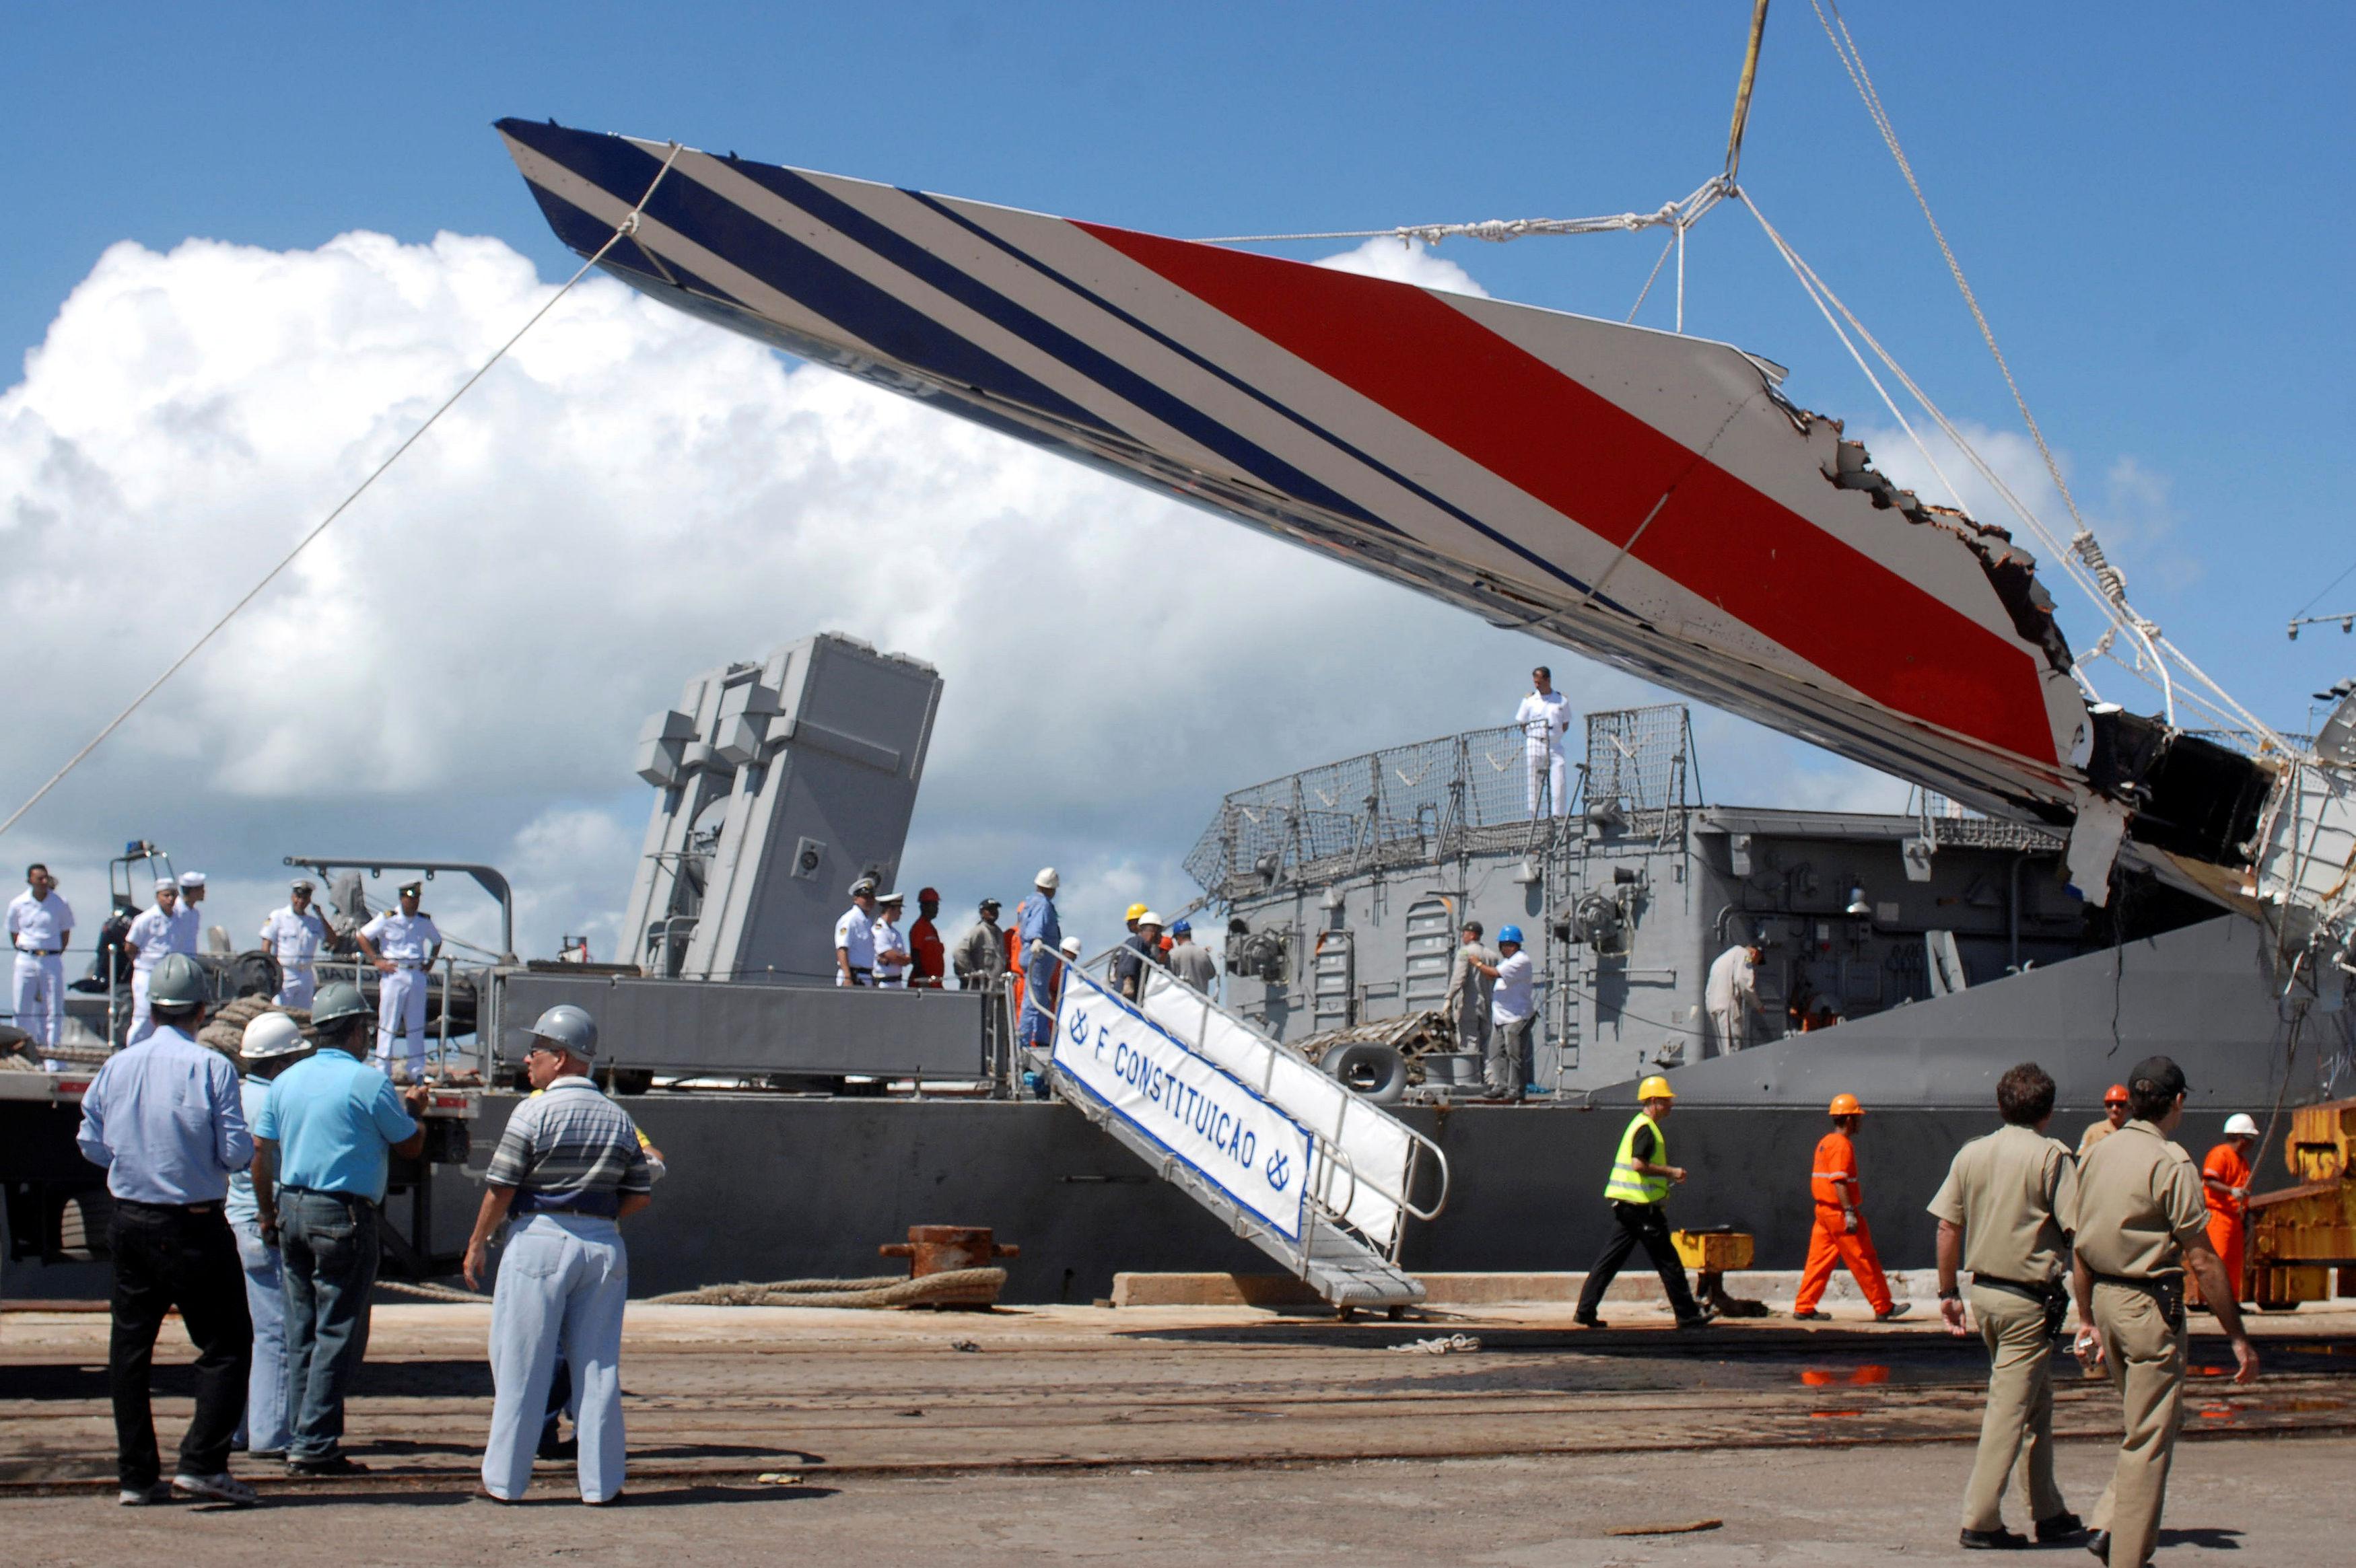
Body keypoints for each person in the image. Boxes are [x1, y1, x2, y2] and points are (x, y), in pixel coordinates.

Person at [73, 952, 257, 1507]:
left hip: (129, 1219)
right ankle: (202, 1462)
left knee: (130, 1350)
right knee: (227, 1344)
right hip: (194, 1223)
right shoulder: (212, 1067)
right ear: (202, 1010)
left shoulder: (118, 1064)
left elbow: (89, 1141)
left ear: (151, 1008)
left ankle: (136, 1476)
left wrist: (134, 1160)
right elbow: (235, 1152)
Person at [2071, 1055, 2259, 1567]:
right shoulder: (2171, 1161)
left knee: (2143, 1426)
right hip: (2149, 1307)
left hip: (2105, 1304)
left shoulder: (2094, 1155)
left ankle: (2111, 1524)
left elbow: (2081, 1247)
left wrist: (2085, 1318)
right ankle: (2129, 1555)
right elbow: (2202, 1257)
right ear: (2177, 1103)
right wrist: (2237, 1336)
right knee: (2151, 1437)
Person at [462, 1004, 653, 1505]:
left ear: (562, 1058)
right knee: (598, 1369)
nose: (529, 1060)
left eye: (538, 1051)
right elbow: (640, 1193)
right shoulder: (619, 1117)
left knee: (521, 1362)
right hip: (603, 1246)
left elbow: (501, 1185)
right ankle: (602, 1484)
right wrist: (598, 1221)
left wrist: (478, 1241)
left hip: (540, 1239)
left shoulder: (534, 1110)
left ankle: (504, 1482)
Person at [252, 980, 428, 1475]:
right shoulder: (368, 1082)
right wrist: (417, 1112)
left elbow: (260, 1154)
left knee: (301, 1328)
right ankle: (314, 1445)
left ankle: (299, 1434)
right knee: (338, 1331)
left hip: (291, 1208)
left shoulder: (284, 1081)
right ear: (356, 1030)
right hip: (342, 1215)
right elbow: (408, 1145)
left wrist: (268, 1215)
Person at [1927, 1060, 2085, 1551]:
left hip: (1986, 1296)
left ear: (2000, 1106)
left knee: (2035, 1405)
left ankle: (2048, 1509)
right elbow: (2078, 1233)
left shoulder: (1972, 1154)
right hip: (2028, 1301)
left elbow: (1948, 1227)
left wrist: (1948, 1293)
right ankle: (1980, 1518)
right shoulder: (2054, 1157)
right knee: (2008, 1410)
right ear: (2049, 1111)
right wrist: (2092, 1311)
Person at [226, 1012, 310, 1463]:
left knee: (242, 1334)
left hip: (231, 1220)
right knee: (277, 1331)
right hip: (263, 1224)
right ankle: (271, 1433)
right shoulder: (280, 1100)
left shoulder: (235, 1096)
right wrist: (268, 1212)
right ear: (280, 1063)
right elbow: (267, 1156)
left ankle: (237, 1428)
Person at [1574, 1075, 1710, 1330]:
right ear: (1654, 1101)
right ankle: (1687, 1314)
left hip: (1629, 1207)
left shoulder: (1639, 1125)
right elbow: (1639, 1165)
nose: (1671, 1105)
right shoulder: (1646, 1129)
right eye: (1667, 1101)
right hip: (1641, 1207)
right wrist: (1672, 1172)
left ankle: (1585, 1311)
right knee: (1668, 1262)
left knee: (1609, 1261)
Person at [1793, 1094, 1902, 1322]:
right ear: (1850, 1120)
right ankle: (1883, 1306)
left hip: (1823, 1212)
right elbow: (1839, 1180)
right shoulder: (1842, 1146)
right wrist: (1849, 1211)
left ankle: (1804, 1306)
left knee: (1818, 1261)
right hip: (1840, 1213)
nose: (1860, 1123)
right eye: (1858, 1118)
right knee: (1863, 1257)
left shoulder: (1825, 1143)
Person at [355, 880, 442, 1080]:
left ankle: (417, 1070)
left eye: (417, 898)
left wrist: (430, 963)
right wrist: (376, 960)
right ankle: (382, 1068)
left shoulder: (424, 921)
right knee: (389, 1022)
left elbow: (437, 941)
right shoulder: (388, 918)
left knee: (416, 1023)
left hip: (416, 974)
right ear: (402, 898)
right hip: (394, 974)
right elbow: (363, 936)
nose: (414, 902)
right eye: (410, 897)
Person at [9, 862, 74, 1069]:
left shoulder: (59, 903)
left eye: (46, 878)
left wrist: (53, 952)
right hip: (26, 957)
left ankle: (53, 1058)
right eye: (40, 879)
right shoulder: (19, 904)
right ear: (30, 880)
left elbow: (65, 931)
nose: (45, 882)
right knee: (22, 1009)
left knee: (53, 1009)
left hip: (51, 958)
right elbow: (14, 932)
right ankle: (21, 1055)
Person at [122, 878, 195, 1046]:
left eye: (173, 895)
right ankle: (133, 1048)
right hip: (147, 972)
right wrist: (141, 963)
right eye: (166, 895)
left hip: (168, 974)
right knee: (144, 1014)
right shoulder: (146, 918)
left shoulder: (179, 919)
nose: (170, 899)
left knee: (167, 1015)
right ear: (158, 897)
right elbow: (130, 946)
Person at [2200, 1114, 2261, 1308]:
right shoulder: (2221, 1154)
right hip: (2219, 1216)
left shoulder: (2241, 1160)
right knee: (2220, 1259)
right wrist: (2231, 1191)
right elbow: (2209, 1180)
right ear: (2242, 1138)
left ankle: (2231, 1302)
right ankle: (2216, 1302)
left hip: (2235, 1217)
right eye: (2250, 1139)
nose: (2252, 1144)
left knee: (2234, 1263)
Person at [258, 878, 331, 1010]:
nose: (301, 901)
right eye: (298, 897)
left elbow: (332, 941)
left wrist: (321, 916)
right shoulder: (278, 916)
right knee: (280, 1010)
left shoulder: (314, 923)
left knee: (304, 1013)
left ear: (309, 899)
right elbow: (266, 945)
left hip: (306, 973)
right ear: (292, 897)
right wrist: (270, 970)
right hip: (285, 972)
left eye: (305, 898)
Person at [1486, 925, 1536, 1100]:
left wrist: (1476, 963)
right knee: (1495, 1052)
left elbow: (1493, 974)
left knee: (1514, 1055)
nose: (1506, 947)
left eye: (1509, 944)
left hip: (1517, 1017)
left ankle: (1516, 1091)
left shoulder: (1521, 960)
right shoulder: (1507, 962)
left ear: (1516, 945)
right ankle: (1501, 1086)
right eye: (1503, 944)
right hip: (1501, 1018)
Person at [1015, 869, 1062, 1053]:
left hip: (1033, 956)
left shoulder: (1030, 901)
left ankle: (1041, 1036)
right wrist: (1037, 939)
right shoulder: (1043, 904)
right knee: (1033, 997)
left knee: (1040, 996)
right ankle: (1026, 1038)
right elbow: (1036, 926)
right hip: (1039, 957)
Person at [1516, 666, 1572, 816]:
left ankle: (1558, 815)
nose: (1537, 685)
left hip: (1554, 744)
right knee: (1534, 781)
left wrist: (1555, 735)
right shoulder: (1529, 700)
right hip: (1535, 742)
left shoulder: (1561, 700)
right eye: (1535, 682)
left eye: (1539, 682)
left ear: (1548, 680)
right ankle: (1533, 815)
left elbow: (1565, 723)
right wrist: (1534, 734)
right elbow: (1522, 722)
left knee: (1559, 780)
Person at [1443, 922, 1498, 1058]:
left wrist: (1449, 997)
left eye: (1465, 933)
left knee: (1469, 1042)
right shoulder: (1492, 956)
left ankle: (1471, 1077)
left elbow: (1459, 977)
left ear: (1472, 935)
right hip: (1487, 1005)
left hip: (1470, 1005)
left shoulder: (1465, 952)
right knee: (1486, 1044)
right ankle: (1488, 1077)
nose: (1462, 936)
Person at [1704, 942, 1760, 1055]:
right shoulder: (1745, 955)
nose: (1754, 965)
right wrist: (1758, 1005)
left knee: (1723, 1049)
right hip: (1728, 1006)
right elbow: (1742, 980)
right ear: (1755, 954)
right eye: (1757, 961)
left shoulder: (1722, 958)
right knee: (1733, 1050)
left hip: (1713, 1006)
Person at [834, 876, 879, 986]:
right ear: (856, 899)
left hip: (866, 976)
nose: (869, 900)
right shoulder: (850, 920)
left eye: (871, 897)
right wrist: (847, 977)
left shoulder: (867, 922)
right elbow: (842, 949)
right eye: (865, 897)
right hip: (853, 976)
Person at [955, 898, 1006, 990]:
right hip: (980, 989)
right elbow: (959, 953)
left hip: (996, 988)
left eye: (995, 909)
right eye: (990, 909)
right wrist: (972, 974)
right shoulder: (978, 931)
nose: (993, 912)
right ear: (982, 913)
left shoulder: (999, 933)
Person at [1115, 911, 1167, 1002]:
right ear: (1154, 931)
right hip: (1125, 996)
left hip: (1136, 997)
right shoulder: (1136, 941)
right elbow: (1128, 961)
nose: (1161, 936)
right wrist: (1128, 982)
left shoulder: (1148, 951)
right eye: (1160, 931)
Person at [1167, 919, 1218, 998]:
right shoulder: (1203, 953)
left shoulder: (1173, 954)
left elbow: (1168, 977)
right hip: (1202, 1001)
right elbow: (1212, 974)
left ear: (1178, 937)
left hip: (1181, 999)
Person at [907, 888, 947, 989]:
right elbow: (915, 955)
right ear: (923, 906)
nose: (936, 909)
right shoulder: (919, 927)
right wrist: (923, 979)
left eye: (937, 905)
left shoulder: (931, 929)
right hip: (924, 984)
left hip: (935, 983)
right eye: (933, 905)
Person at [2079, 1084, 2132, 1157]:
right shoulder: (2094, 1131)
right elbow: (2082, 1158)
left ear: (2128, 1108)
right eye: (2110, 1105)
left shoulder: (2131, 1132)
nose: (2114, 1109)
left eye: (2120, 1105)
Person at [871, 892, 910, 987]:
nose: (900, 913)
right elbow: (890, 955)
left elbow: (904, 957)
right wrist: (904, 959)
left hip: (897, 982)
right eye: (898, 909)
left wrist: (904, 959)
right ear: (890, 909)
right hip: (883, 983)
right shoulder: (879, 930)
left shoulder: (896, 933)